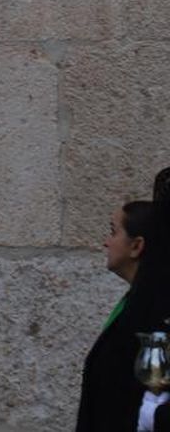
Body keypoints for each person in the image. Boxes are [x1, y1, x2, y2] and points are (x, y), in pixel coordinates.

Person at [79, 168, 170, 432]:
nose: (107, 242)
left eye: (113, 231)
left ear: (136, 246)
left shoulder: (157, 308)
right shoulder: (134, 302)